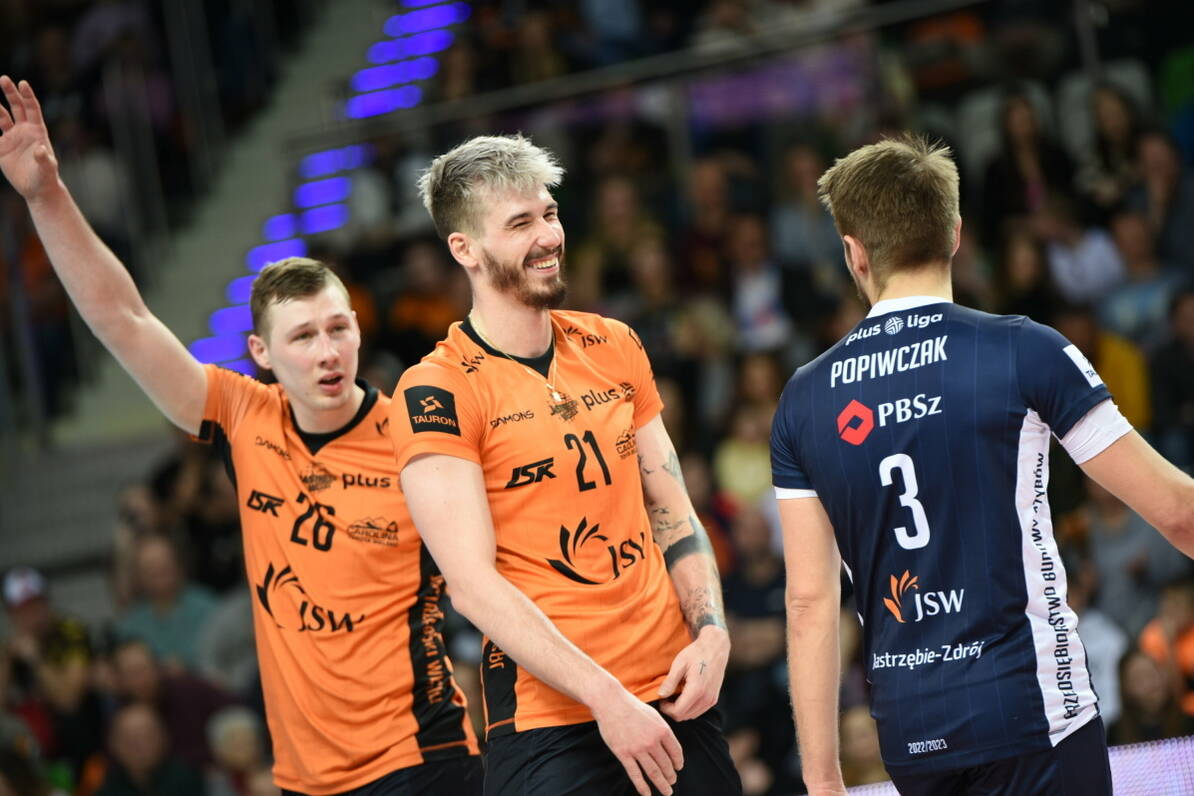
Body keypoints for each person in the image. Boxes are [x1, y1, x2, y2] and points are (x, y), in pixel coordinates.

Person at [0, 77, 480, 795]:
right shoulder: (243, 415)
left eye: (338, 329)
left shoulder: (415, 437)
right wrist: (46, 197)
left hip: (423, 757)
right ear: (261, 352)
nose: (327, 352)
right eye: (303, 336)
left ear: (358, 329)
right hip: (307, 776)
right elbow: (124, 321)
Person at [770, 134, 1194, 796]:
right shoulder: (1023, 350)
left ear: (854, 252)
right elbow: (1179, 513)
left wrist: (823, 778)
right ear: (955, 234)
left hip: (912, 733)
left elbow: (809, 602)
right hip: (1032, 712)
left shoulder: (804, 398)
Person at [390, 134, 741, 796]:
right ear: (465, 249)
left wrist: (712, 633)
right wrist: (605, 697)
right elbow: (471, 585)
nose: (549, 236)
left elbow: (671, 509)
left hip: (673, 693)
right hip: (551, 722)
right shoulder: (436, 389)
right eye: (520, 223)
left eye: (549, 214)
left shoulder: (614, 343)